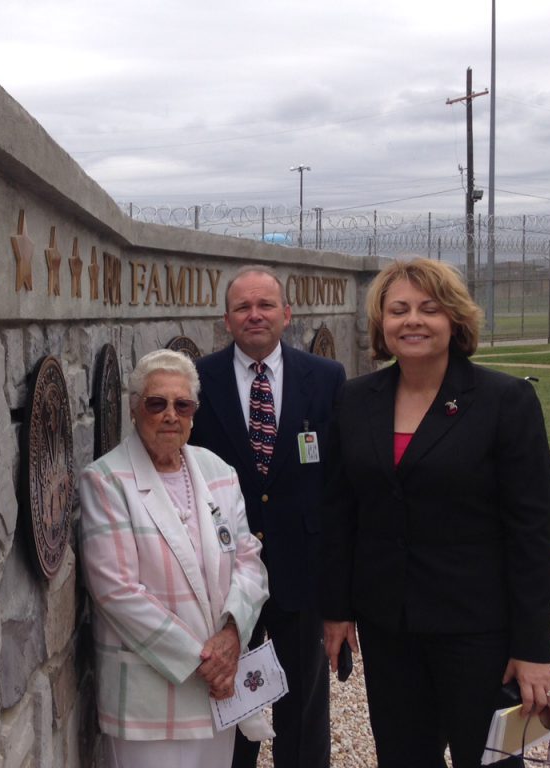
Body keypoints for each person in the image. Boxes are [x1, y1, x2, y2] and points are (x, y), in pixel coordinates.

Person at [320, 258, 550, 768]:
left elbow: (533, 532)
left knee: (491, 761)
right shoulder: (356, 400)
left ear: (454, 319)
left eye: (429, 309)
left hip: (478, 631)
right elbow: (341, 512)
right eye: (398, 310)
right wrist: (338, 609)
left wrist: (534, 649)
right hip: (389, 628)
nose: (413, 320)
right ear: (381, 323)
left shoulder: (505, 400)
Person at [79, 348, 269, 767]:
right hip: (151, 701)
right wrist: (208, 662)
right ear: (135, 410)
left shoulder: (219, 471)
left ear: (194, 414)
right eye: (156, 403)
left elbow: (249, 560)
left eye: (182, 405)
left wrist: (233, 634)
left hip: (218, 693)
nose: (170, 415)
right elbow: (117, 592)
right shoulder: (106, 480)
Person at [190, 266, 345, 768]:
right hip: (227, 576)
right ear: (226, 319)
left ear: (286, 314)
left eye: (265, 305)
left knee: (302, 708)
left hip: (302, 572)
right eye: (242, 307)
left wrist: (340, 589)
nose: (254, 315)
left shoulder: (325, 378)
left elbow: (339, 483)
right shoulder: (200, 381)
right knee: (232, 702)